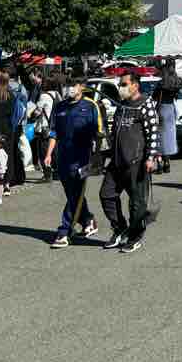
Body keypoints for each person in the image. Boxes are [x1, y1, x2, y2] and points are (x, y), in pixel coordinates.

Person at [99, 72, 160, 254]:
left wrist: (151, 157)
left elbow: (153, 132)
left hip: (137, 162)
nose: (121, 87)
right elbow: (115, 131)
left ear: (135, 85)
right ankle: (120, 228)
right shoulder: (122, 105)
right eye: (120, 84)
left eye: (124, 84)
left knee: (136, 203)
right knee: (106, 195)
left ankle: (135, 236)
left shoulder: (145, 104)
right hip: (117, 162)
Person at [44, 73, 102, 248]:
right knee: (72, 194)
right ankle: (88, 219)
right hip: (63, 156)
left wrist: (96, 156)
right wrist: (48, 154)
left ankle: (65, 231)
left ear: (82, 87)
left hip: (82, 158)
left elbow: (99, 134)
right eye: (67, 85)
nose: (69, 88)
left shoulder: (90, 106)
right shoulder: (60, 106)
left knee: (76, 192)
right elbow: (54, 132)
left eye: (73, 85)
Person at [156, 56, 181, 172]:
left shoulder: (162, 83)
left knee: (159, 136)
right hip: (171, 108)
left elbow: (155, 96)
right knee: (169, 137)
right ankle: (167, 162)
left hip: (162, 108)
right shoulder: (176, 81)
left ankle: (159, 162)